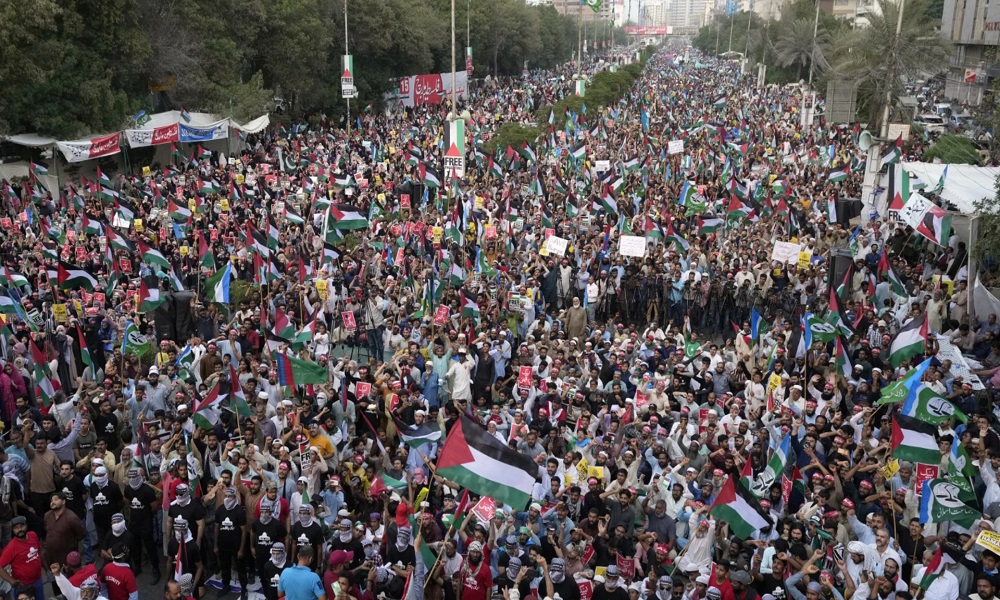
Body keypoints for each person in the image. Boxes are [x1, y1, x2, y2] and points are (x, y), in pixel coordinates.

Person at [0, 516, 44, 600]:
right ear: (12, 530)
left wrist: (47, 570)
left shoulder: (33, 535)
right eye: (16, 528)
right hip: (23, 587)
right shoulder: (11, 547)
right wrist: (11, 581)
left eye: (21, 526)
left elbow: (40, 551)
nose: (19, 529)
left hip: (38, 580)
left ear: (26, 525)